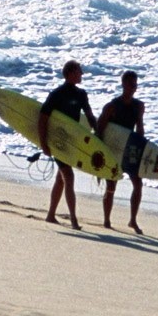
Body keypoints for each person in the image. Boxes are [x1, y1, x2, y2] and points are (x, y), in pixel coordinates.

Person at [38, 60, 96, 230]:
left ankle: (50, 215)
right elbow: (43, 118)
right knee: (68, 177)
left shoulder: (81, 94)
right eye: (79, 71)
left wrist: (97, 136)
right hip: (57, 142)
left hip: (71, 142)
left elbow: (90, 115)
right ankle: (73, 220)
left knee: (61, 178)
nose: (82, 74)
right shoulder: (57, 94)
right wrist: (44, 143)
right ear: (70, 73)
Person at [97, 69, 147, 234]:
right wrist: (100, 154)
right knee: (111, 185)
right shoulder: (112, 107)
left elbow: (140, 130)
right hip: (113, 149)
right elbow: (100, 131)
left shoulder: (138, 106)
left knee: (138, 184)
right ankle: (106, 220)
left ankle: (132, 220)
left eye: (135, 85)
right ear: (123, 84)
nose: (134, 88)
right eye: (131, 84)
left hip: (130, 149)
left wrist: (140, 119)